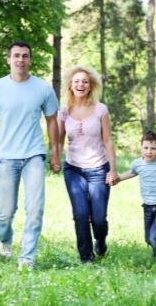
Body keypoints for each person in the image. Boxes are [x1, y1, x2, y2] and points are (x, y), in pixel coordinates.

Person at [0, 41, 60, 271]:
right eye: (16, 56)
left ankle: (27, 257)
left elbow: (52, 121)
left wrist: (55, 153)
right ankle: (5, 241)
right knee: (6, 212)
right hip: (6, 156)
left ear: (30, 60)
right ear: (8, 59)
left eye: (25, 56)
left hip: (34, 154)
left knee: (35, 208)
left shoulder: (43, 88)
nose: (20, 60)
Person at [58, 66, 118, 263]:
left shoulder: (100, 109)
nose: (80, 85)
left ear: (91, 85)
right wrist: (55, 158)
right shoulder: (65, 111)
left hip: (99, 168)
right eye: (76, 81)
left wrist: (113, 170)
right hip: (73, 169)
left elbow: (108, 139)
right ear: (70, 85)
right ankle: (86, 258)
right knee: (81, 214)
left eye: (84, 81)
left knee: (99, 219)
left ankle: (100, 242)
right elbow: (59, 140)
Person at [114, 131, 156, 264]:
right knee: (148, 238)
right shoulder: (137, 163)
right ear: (141, 148)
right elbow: (132, 172)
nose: (149, 151)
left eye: (153, 148)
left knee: (154, 236)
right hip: (148, 206)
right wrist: (117, 179)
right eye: (145, 148)